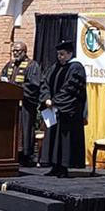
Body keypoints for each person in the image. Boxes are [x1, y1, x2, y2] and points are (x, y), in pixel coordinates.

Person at [39, 40, 87, 177]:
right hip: (53, 110)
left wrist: (55, 102)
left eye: (62, 54)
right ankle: (54, 166)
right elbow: (45, 83)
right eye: (58, 54)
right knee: (53, 138)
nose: (60, 57)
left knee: (64, 140)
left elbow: (71, 89)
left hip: (67, 112)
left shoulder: (76, 68)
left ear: (70, 54)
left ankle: (64, 168)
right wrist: (46, 98)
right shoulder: (55, 67)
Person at [0, 41, 42, 165]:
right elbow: (2, 79)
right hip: (11, 106)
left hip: (25, 106)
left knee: (25, 130)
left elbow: (34, 85)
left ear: (24, 52)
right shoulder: (9, 65)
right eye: (14, 51)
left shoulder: (32, 65)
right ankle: (11, 153)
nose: (16, 53)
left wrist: (15, 87)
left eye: (18, 51)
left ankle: (25, 156)